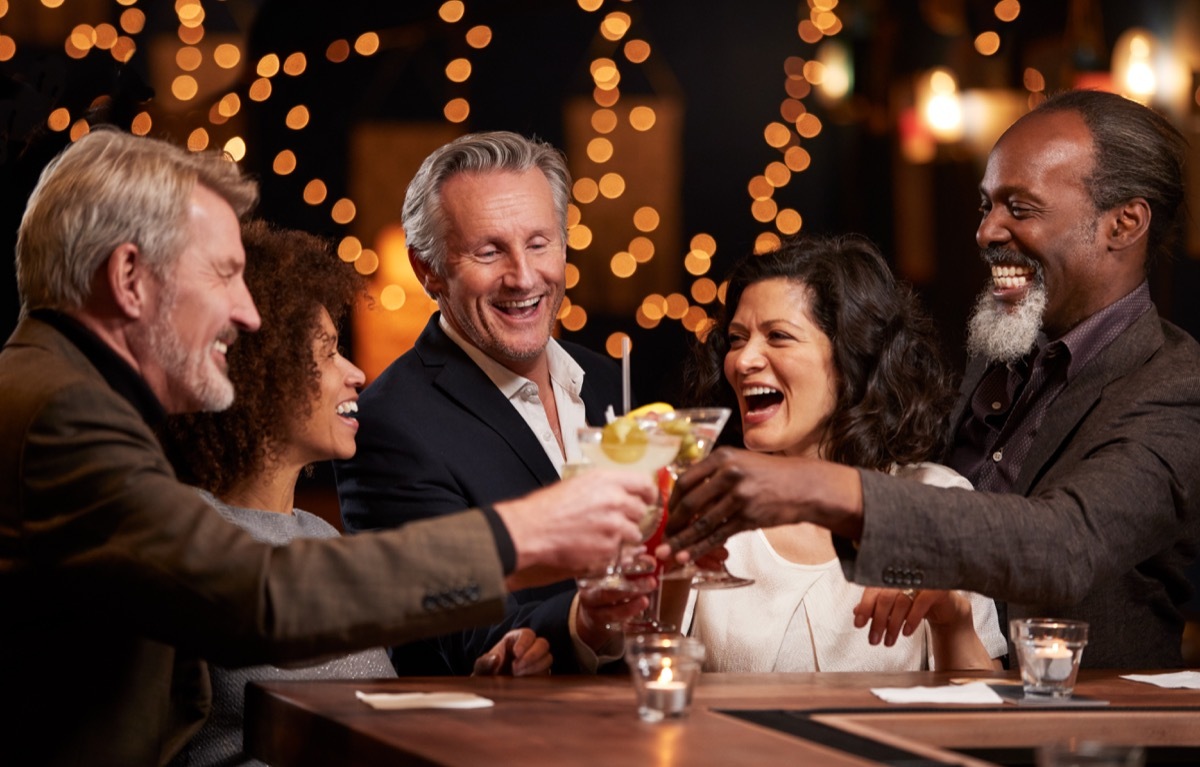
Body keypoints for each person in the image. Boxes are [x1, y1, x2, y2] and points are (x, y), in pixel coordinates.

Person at [0, 126, 654, 766]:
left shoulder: (57, 389)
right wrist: (523, 536)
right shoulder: (63, 410)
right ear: (130, 276)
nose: (248, 312)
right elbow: (262, 597)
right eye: (225, 274)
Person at [663, 88, 1200, 669]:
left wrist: (812, 487)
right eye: (986, 206)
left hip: (1083, 742)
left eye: (1019, 208)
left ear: (1124, 223)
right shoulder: (996, 354)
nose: (987, 232)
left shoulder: (1176, 385)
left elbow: (1066, 545)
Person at [162, 220, 552, 766]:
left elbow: (366, 726)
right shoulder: (187, 536)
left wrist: (481, 685)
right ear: (255, 372)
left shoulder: (318, 534)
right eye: (325, 353)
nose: (357, 373)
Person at [335, 131, 647, 675]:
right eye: (489, 250)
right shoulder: (391, 425)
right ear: (427, 270)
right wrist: (582, 622)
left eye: (539, 243)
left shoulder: (604, 380)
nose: (524, 277)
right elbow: (463, 637)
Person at [675, 235, 1005, 672]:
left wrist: (952, 620)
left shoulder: (938, 499)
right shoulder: (703, 502)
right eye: (737, 339)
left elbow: (986, 720)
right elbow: (647, 676)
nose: (743, 360)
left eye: (778, 336)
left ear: (852, 358)